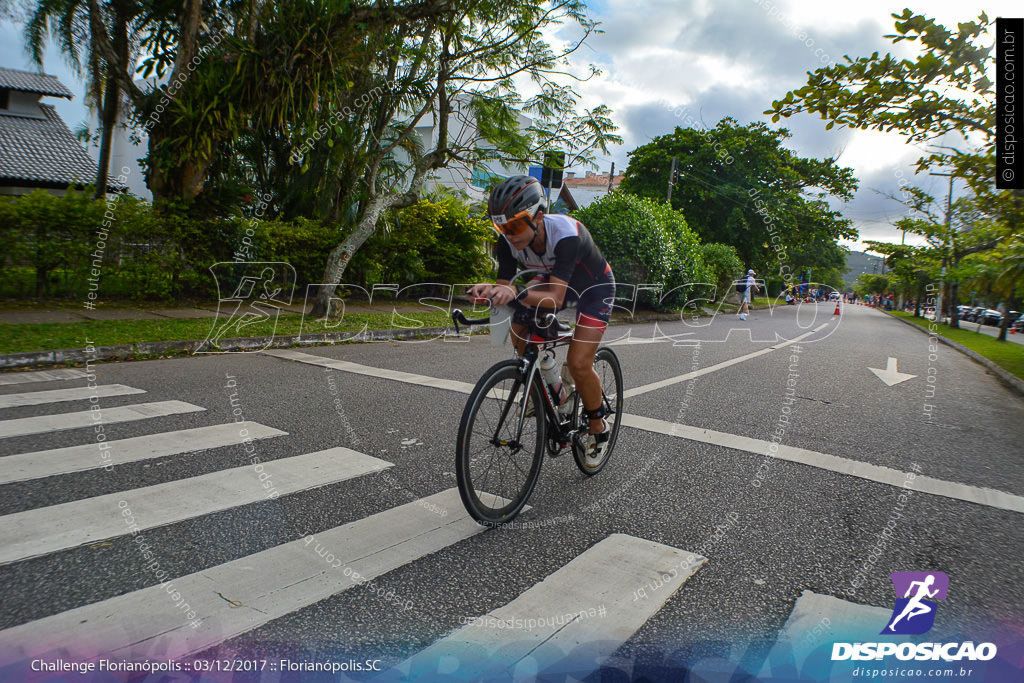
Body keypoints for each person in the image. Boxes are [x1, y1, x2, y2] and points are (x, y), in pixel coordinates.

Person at [468, 176, 616, 465]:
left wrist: (516, 291)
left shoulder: (566, 234)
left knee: (579, 363)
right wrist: (491, 292)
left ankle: (598, 426)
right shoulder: (507, 241)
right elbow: (506, 288)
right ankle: (551, 387)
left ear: (538, 215)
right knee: (518, 325)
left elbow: (556, 299)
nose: (508, 234)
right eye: (501, 227)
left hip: (593, 290)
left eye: (515, 226)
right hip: (551, 282)